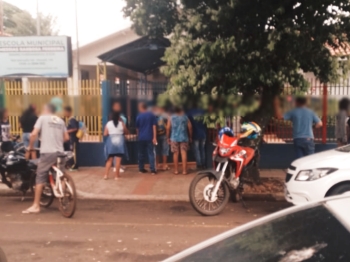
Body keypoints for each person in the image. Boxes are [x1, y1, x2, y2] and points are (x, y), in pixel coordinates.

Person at [22, 104, 69, 214]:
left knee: (40, 176)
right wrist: (57, 141)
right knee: (61, 175)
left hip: (48, 152)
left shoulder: (42, 118)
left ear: (46, 110)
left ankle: (36, 205)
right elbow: (66, 137)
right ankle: (63, 199)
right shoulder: (60, 120)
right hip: (60, 152)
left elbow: (33, 134)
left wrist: (30, 147)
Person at [167, 107, 192, 175]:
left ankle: (176, 170)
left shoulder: (171, 117)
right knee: (183, 153)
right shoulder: (185, 117)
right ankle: (184, 171)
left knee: (175, 153)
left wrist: (168, 137)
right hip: (184, 137)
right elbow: (190, 127)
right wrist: (190, 137)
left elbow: (168, 128)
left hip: (174, 138)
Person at [103, 111, 128, 180]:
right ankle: (116, 176)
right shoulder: (121, 123)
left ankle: (106, 175)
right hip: (120, 142)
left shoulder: (108, 123)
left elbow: (105, 134)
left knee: (109, 160)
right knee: (118, 160)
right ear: (118, 117)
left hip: (111, 142)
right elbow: (126, 132)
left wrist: (111, 133)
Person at [136, 102, 157, 175]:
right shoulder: (151, 115)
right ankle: (152, 169)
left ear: (141, 108)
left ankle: (141, 168)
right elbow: (154, 127)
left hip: (141, 137)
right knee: (151, 153)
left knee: (141, 153)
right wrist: (154, 137)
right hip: (149, 137)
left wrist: (138, 136)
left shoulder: (138, 116)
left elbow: (137, 128)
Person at [111, 101, 128, 173]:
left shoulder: (121, 116)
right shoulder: (114, 116)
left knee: (119, 153)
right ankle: (116, 167)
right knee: (117, 153)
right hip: (116, 138)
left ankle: (119, 165)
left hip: (119, 136)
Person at [63, 106, 80, 171]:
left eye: (65, 112)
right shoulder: (70, 119)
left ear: (68, 112)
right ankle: (72, 165)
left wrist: (66, 131)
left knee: (74, 153)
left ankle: (75, 166)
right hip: (71, 139)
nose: (64, 114)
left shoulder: (72, 120)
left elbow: (75, 128)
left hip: (74, 139)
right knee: (71, 152)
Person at [155, 106, 170, 171]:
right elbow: (168, 127)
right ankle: (164, 165)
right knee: (165, 150)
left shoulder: (155, 116)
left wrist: (154, 136)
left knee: (157, 150)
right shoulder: (165, 116)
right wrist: (167, 136)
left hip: (156, 135)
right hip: (164, 135)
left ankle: (156, 165)